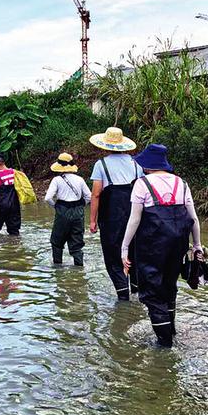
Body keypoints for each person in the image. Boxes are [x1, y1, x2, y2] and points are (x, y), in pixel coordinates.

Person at [120, 144, 203, 348]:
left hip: (152, 246)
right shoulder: (182, 183)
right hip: (178, 245)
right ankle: (171, 330)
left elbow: (134, 220)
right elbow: (193, 218)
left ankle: (164, 345)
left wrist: (124, 248)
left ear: (147, 165)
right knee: (169, 285)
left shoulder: (142, 184)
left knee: (152, 292)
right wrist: (197, 246)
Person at [88, 126, 143, 300]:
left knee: (113, 256)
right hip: (135, 216)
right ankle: (136, 290)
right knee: (134, 251)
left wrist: (92, 221)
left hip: (111, 220)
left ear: (105, 145)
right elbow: (142, 191)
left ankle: (123, 296)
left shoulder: (101, 164)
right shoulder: (137, 164)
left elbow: (96, 194)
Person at [45, 153, 91, 266]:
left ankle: (58, 268)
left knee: (57, 241)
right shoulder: (80, 179)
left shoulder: (56, 180)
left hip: (62, 211)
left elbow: (48, 198)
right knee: (77, 242)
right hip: (78, 212)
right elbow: (89, 196)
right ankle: (79, 269)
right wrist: (81, 206)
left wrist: (55, 206)